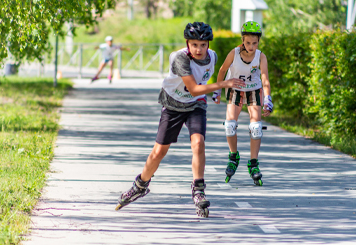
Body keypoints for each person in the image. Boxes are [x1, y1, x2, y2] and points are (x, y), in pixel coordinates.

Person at [115, 22, 245, 218]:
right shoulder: (180, 59)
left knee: (198, 143)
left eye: (203, 45)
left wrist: (218, 90)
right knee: (159, 151)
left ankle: (198, 190)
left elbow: (200, 88)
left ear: (208, 45)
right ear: (187, 44)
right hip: (173, 105)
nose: (199, 49)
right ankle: (140, 185)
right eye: (194, 45)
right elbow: (193, 87)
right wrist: (223, 84)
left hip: (195, 105)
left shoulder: (213, 56)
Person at [212, 21, 273, 185]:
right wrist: (217, 91)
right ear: (242, 40)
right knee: (230, 125)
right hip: (235, 89)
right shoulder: (234, 53)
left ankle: (253, 163)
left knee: (256, 127)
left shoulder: (261, 56)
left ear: (259, 41)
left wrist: (267, 98)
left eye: (255, 43)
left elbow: (265, 78)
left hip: (254, 90)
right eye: (248, 42)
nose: (251, 46)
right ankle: (233, 156)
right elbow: (222, 70)